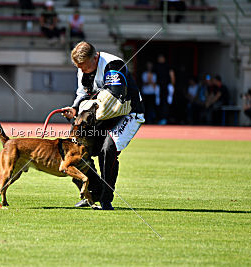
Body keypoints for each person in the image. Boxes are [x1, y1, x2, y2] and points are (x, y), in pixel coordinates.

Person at [61, 41, 145, 210]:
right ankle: (92, 193)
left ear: (95, 58)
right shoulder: (83, 69)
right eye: (79, 67)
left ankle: (106, 199)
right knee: (78, 147)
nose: (81, 70)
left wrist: (88, 101)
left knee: (108, 149)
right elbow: (82, 93)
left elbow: (115, 95)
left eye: (84, 66)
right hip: (104, 115)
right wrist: (74, 108)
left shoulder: (113, 65)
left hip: (128, 113)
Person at [154, 54, 175, 125]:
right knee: (158, 102)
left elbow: (172, 76)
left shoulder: (168, 66)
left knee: (167, 102)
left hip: (167, 86)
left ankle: (165, 118)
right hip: (159, 86)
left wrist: (172, 85)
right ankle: (160, 118)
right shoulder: (156, 66)